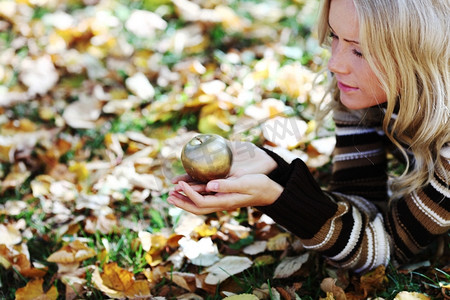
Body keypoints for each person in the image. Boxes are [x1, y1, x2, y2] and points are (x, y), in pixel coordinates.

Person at [168, 0, 450, 273]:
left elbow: (382, 249)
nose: (335, 64)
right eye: (335, 36)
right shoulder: (363, 88)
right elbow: (362, 202)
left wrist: (278, 199)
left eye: (360, 52)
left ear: (418, 51)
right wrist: (275, 172)